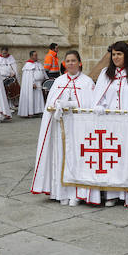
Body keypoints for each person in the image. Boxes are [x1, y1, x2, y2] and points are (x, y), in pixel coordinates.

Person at [30, 49, 99, 206]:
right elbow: (50, 103)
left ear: (80, 63)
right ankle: (60, 192)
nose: (70, 63)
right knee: (60, 158)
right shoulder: (59, 81)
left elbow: (90, 105)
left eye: (73, 60)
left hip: (79, 129)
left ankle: (77, 193)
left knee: (77, 159)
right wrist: (56, 104)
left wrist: (71, 104)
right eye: (67, 61)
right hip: (60, 129)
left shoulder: (87, 82)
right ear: (64, 63)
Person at [91, 41, 128, 207]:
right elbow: (98, 96)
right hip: (110, 125)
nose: (116, 57)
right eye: (114, 54)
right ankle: (112, 194)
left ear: (126, 55)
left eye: (119, 54)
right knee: (111, 158)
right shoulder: (105, 73)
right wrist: (99, 106)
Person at [18, 50, 47, 117]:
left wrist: (46, 80)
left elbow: (43, 72)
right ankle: (31, 111)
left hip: (39, 84)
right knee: (32, 98)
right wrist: (32, 83)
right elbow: (29, 76)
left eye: (37, 55)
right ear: (31, 56)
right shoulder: (28, 65)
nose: (37, 56)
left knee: (39, 98)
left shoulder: (39, 63)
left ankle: (38, 111)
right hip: (33, 85)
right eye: (35, 55)